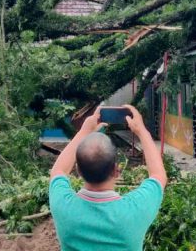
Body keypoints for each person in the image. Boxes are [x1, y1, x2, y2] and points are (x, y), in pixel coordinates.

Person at [49, 105, 167, 251]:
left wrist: (84, 131)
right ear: (117, 170)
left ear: (78, 170)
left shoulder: (64, 207)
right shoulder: (134, 210)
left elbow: (58, 171)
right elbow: (158, 175)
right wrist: (141, 131)